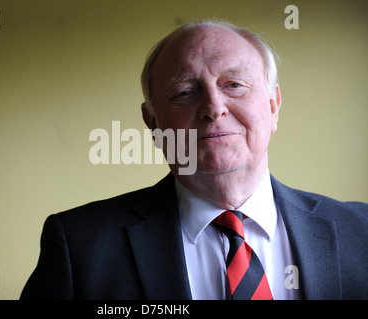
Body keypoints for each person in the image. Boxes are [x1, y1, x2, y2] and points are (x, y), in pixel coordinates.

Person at [20, 20, 368, 300]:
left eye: (233, 85)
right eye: (185, 92)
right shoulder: (79, 247)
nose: (213, 108)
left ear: (274, 106)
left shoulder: (362, 232)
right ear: (153, 123)